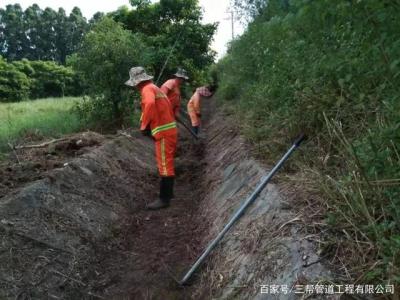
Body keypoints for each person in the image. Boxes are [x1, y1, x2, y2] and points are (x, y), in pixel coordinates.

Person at [125, 66, 177, 210]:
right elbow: (153, 108)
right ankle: (169, 194)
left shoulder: (147, 89)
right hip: (169, 131)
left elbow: (149, 104)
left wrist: (144, 126)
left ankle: (164, 199)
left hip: (164, 134)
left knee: (165, 166)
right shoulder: (155, 88)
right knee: (168, 163)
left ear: (137, 82)